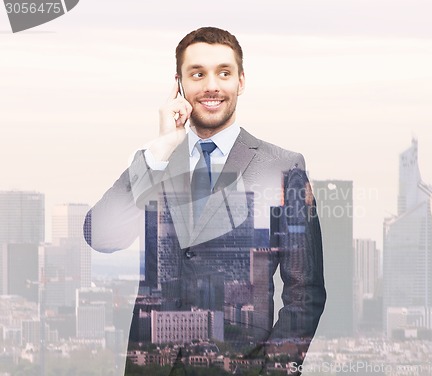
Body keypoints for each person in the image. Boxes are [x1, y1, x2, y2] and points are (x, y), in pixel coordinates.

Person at [85, 27, 326, 375]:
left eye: (223, 73)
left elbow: (306, 292)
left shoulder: (283, 166)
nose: (211, 85)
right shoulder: (156, 160)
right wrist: (161, 149)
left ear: (240, 81)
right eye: (198, 74)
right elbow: (101, 236)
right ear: (179, 84)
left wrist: (273, 371)